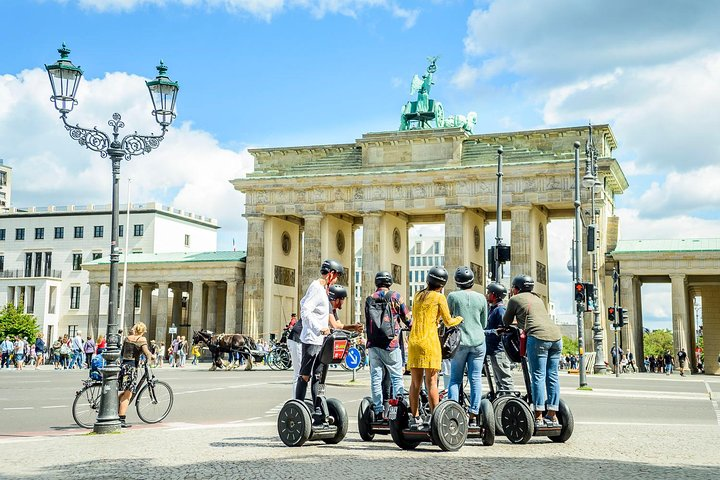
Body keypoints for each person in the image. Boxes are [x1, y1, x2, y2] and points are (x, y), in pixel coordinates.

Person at [503, 274, 563, 428]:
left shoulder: (515, 299)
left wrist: (511, 300)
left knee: (538, 375)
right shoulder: (538, 298)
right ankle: (553, 414)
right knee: (553, 375)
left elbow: (506, 321)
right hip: (556, 337)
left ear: (516, 288)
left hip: (538, 337)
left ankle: (538, 415)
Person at [407, 266, 462, 429]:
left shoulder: (418, 295)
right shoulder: (439, 298)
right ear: (442, 284)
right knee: (431, 382)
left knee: (415, 383)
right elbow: (448, 321)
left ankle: (415, 417)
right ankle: (435, 418)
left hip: (414, 341)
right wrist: (459, 318)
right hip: (429, 342)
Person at [295, 259, 343, 425]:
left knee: (318, 376)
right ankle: (298, 409)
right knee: (305, 376)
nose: (336, 281)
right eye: (336, 277)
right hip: (311, 339)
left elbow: (303, 302)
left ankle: (318, 412)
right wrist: (318, 327)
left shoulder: (321, 289)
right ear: (331, 274)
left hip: (321, 340)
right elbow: (305, 309)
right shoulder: (316, 287)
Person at [365, 271, 409, 420]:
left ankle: (378, 410)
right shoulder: (395, 297)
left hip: (373, 344)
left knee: (376, 378)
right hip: (391, 343)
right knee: (396, 377)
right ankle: (397, 408)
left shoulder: (369, 298)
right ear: (389, 283)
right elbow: (407, 318)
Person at [447, 266, 488, 427]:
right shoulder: (481, 298)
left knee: (455, 379)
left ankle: (453, 412)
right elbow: (483, 323)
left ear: (457, 282)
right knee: (475, 378)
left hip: (460, 342)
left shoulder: (453, 296)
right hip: (478, 342)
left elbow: (448, 317)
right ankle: (473, 414)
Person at [118, 322, 155, 428]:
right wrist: (151, 358)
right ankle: (121, 419)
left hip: (123, 366)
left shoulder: (127, 338)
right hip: (131, 368)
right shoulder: (141, 340)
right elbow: (146, 352)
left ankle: (114, 409)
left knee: (124, 392)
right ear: (142, 331)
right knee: (128, 395)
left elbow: (122, 353)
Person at [484, 282, 514, 393]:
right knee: (498, 381)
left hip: (499, 350)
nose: (486, 295)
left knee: (505, 380)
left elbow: (503, 330)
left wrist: (485, 332)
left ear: (494, 295)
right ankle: (501, 403)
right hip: (493, 350)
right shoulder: (493, 309)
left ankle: (510, 403)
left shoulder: (500, 310)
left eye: (488, 293)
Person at [287, 312, 303, 395]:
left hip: (303, 340)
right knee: (299, 372)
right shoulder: (294, 320)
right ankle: (296, 399)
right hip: (297, 340)